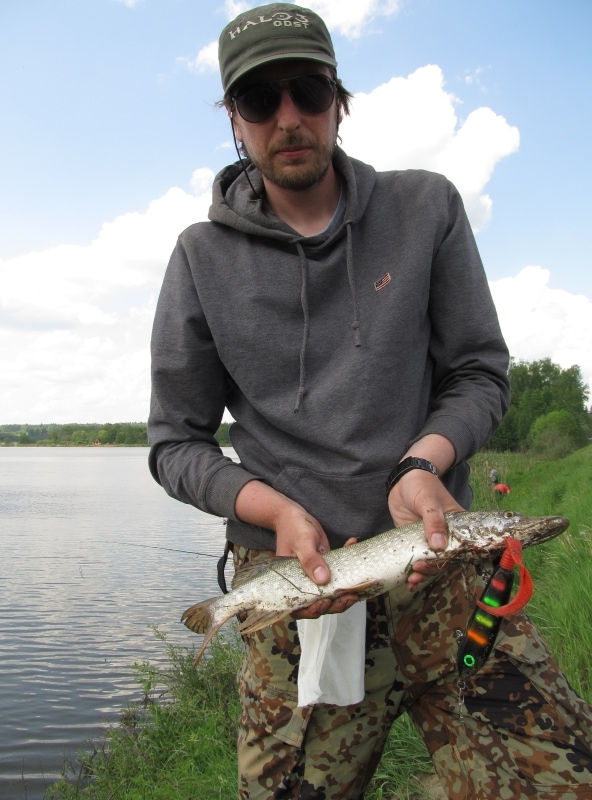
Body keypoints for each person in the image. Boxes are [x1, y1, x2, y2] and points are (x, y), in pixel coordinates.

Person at [148, 4, 592, 798]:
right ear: (234, 120)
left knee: (562, 782)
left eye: (309, 90)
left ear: (340, 100)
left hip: (443, 562)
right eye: (260, 100)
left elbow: (479, 372)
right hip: (296, 586)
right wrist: (274, 511)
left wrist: (423, 464)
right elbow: (175, 443)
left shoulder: (426, 209)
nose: (288, 117)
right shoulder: (199, 257)